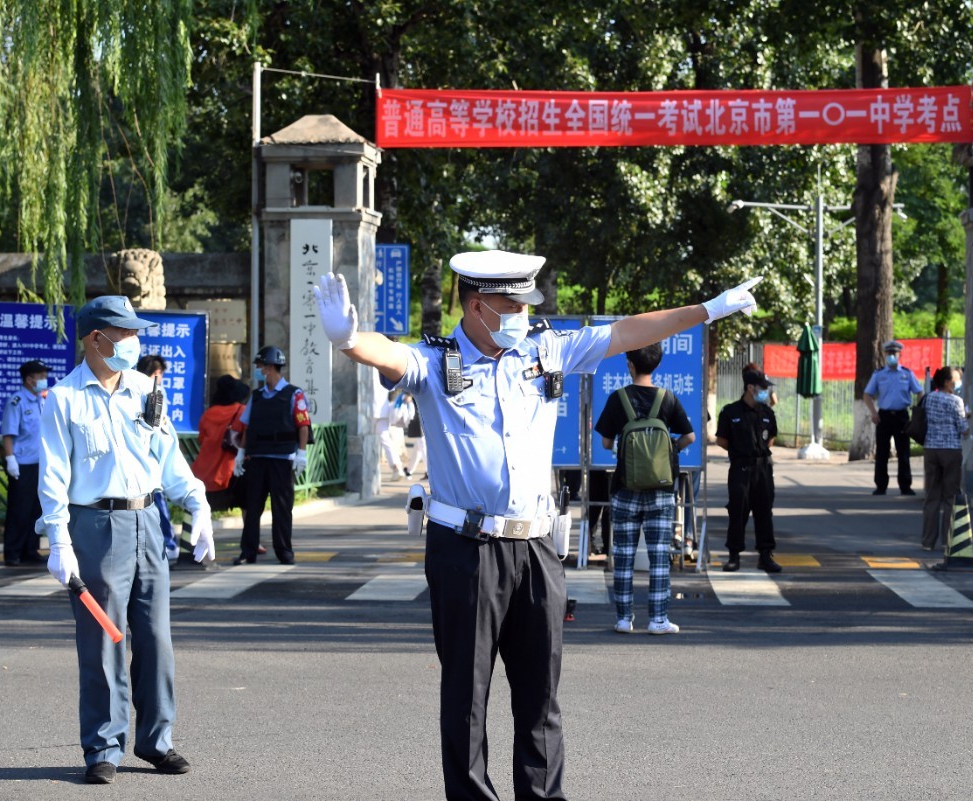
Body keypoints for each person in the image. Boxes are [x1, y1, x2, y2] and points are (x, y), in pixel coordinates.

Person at [314, 250, 759, 801]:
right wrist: (347, 340)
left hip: (536, 548)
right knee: (466, 697)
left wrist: (708, 310)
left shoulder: (545, 352)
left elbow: (628, 331)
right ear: (477, 307)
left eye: (526, 304)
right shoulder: (435, 360)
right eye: (512, 305)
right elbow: (388, 353)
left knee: (541, 698)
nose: (523, 315)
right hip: (466, 549)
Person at [37, 295, 214, 785]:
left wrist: (196, 503)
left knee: (156, 639)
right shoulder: (64, 399)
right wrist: (59, 540)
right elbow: (53, 477)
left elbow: (168, 457)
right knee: (103, 641)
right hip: (95, 526)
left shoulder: (144, 389)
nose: (135, 342)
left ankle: (157, 741)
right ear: (97, 339)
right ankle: (103, 746)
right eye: (127, 333)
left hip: (148, 521)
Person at [594, 343, 695, 635]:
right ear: (657, 364)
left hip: (625, 488)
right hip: (661, 490)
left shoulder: (618, 398)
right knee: (659, 556)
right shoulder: (667, 398)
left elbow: (606, 442)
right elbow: (689, 436)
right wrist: (669, 450)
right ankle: (658, 619)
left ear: (630, 364)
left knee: (623, 555)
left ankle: (624, 619)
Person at [232, 346, 310, 565]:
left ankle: (284, 552)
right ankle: (248, 552)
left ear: (269, 367)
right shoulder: (256, 396)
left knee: (282, 509)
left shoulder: (294, 394)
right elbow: (247, 427)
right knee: (252, 507)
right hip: (257, 458)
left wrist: (301, 453)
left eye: (260, 366)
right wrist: (241, 453)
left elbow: (303, 426)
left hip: (282, 459)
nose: (258, 370)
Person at [715, 368, 781, 573]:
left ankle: (765, 555)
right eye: (763, 388)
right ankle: (734, 555)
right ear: (750, 388)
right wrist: (740, 451)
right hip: (740, 468)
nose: (766, 392)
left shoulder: (767, 413)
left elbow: (771, 439)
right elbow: (722, 440)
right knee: (738, 510)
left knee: (764, 511)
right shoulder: (730, 412)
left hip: (763, 468)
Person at [0, 359, 50, 566]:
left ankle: (30, 550)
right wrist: (10, 459)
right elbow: (8, 434)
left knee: (35, 509)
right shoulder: (17, 401)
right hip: (21, 464)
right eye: (41, 376)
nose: (45, 380)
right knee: (19, 510)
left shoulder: (40, 400)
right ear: (30, 380)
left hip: (39, 462)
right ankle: (13, 552)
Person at [863, 340, 924, 496]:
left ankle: (905, 485)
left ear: (899, 355)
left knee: (903, 452)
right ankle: (881, 485)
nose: (891, 356)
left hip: (902, 416)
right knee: (882, 452)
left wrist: (916, 412)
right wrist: (873, 412)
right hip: (884, 416)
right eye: (889, 353)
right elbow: (867, 394)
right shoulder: (879, 374)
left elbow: (919, 392)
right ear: (885, 355)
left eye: (894, 353)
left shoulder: (907, 374)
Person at [136, 354, 179, 565]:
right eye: (159, 373)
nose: (161, 377)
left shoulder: (156, 392)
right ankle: (167, 544)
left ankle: (168, 544)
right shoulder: (145, 391)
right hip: (144, 461)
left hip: (152, 460)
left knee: (157, 504)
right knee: (155, 506)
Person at [920, 367, 969, 550]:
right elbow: (963, 429)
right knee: (950, 496)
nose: (957, 382)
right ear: (947, 382)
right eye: (955, 379)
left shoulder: (928, 398)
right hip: (950, 450)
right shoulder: (956, 401)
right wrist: (967, 417)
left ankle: (927, 541)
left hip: (931, 449)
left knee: (931, 496)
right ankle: (948, 541)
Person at [191, 374, 250, 516]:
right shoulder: (242, 411)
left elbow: (202, 440)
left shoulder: (208, 414)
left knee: (200, 512)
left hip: (204, 472)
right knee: (247, 504)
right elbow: (249, 437)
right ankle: (248, 530)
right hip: (231, 471)